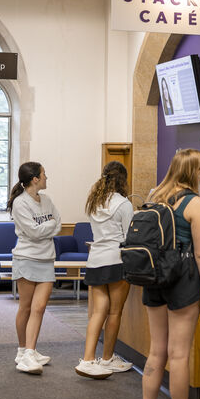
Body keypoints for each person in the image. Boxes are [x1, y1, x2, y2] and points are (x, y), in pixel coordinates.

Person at [136, 148, 200, 399]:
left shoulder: (154, 195)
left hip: (155, 277)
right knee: (179, 355)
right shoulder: (195, 204)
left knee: (157, 350)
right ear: (193, 171)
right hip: (183, 279)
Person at [75, 162, 134, 379]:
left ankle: (88, 359)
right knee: (115, 312)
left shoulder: (95, 201)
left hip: (95, 259)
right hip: (117, 260)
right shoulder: (123, 204)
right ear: (123, 180)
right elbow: (129, 236)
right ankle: (107, 358)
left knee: (98, 312)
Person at [8, 162, 62, 375]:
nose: (47, 177)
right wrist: (47, 226)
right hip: (27, 259)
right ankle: (22, 351)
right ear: (35, 179)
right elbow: (33, 232)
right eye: (44, 174)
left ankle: (31, 351)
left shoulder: (47, 200)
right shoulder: (20, 203)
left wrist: (46, 227)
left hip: (47, 259)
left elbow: (58, 223)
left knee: (39, 308)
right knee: (26, 307)